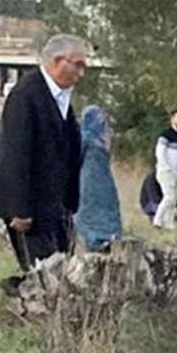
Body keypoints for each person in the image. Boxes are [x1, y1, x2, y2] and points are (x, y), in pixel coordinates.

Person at [0, 34, 88, 271]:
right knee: (43, 272)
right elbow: (15, 152)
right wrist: (19, 209)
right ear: (57, 61)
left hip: (55, 203)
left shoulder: (61, 97)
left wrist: (70, 202)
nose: (81, 73)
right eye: (78, 65)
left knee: (65, 268)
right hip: (28, 205)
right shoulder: (26, 95)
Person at [74, 106, 121, 252]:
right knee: (92, 213)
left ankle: (105, 240)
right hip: (89, 183)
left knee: (102, 211)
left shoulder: (90, 138)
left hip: (100, 183)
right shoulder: (86, 139)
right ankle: (96, 241)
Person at [153, 110, 177, 230]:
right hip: (166, 171)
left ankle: (169, 224)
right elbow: (160, 153)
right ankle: (158, 220)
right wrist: (166, 167)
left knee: (174, 200)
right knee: (169, 197)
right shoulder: (165, 136)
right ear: (173, 120)